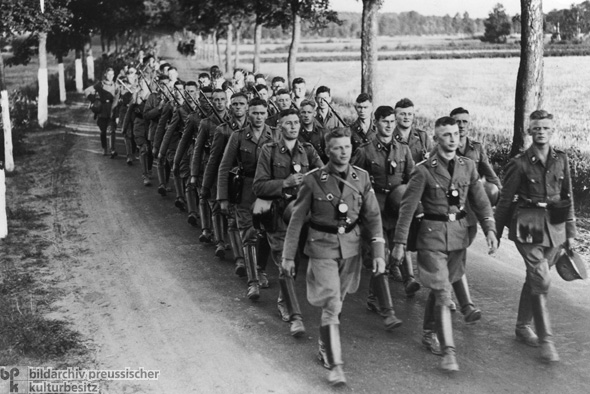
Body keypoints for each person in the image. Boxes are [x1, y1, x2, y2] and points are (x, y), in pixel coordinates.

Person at [391, 116, 498, 372]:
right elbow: (407, 209)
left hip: (458, 237)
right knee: (443, 293)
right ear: (436, 139)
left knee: (440, 286)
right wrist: (399, 242)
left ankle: (428, 331)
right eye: (446, 135)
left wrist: (490, 229)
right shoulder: (423, 170)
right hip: (431, 237)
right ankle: (449, 350)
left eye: (455, 134)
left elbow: (481, 202)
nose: (453, 139)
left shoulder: (468, 166)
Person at [282, 127, 386, 386]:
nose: (343, 152)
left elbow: (373, 218)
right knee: (332, 303)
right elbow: (296, 220)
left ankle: (324, 342)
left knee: (337, 302)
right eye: (337, 148)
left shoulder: (361, 178)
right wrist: (288, 256)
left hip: (350, 249)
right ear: (327, 150)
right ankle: (336, 366)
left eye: (347, 147)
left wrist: (378, 252)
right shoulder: (312, 179)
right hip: (321, 248)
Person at [495, 110, 576, 363]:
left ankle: (522, 326)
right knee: (540, 279)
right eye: (536, 128)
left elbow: (568, 197)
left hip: (556, 227)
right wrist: (494, 233)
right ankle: (546, 340)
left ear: (552, 131)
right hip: (527, 226)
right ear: (529, 131)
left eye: (545, 128)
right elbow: (505, 201)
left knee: (535, 277)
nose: (540, 132)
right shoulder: (519, 163)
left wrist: (571, 234)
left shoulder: (561, 160)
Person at [252, 108, 323, 336]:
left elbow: (324, 175)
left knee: (296, 261)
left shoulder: (308, 151)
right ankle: (292, 312)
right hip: (278, 215)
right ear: (279, 127)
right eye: (288, 123)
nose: (293, 126)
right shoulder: (269, 151)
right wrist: (285, 182)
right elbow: (258, 186)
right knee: (285, 260)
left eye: (296, 123)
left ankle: (285, 298)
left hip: (301, 216)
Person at [352, 105, 418, 315]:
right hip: (375, 206)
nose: (389, 126)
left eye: (392, 121)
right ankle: (380, 301)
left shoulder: (403, 149)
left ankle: (375, 296)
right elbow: (353, 180)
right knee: (380, 252)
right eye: (384, 121)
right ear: (376, 122)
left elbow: (412, 178)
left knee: (394, 252)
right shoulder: (365, 150)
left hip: (396, 206)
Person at [218, 97, 279, 300]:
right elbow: (224, 166)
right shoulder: (238, 136)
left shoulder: (275, 135)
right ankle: (253, 282)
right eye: (254, 113)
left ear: (267, 113)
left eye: (262, 113)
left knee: (265, 234)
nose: (258, 117)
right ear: (248, 113)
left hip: (268, 193)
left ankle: (260, 269)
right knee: (249, 235)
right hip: (245, 192)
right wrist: (223, 197)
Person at [449, 106, 503, 324]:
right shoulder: (443, 148)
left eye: (464, 122)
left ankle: (448, 291)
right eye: (457, 122)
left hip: (471, 212)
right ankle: (465, 304)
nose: (461, 126)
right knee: (457, 254)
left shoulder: (477, 149)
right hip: (450, 212)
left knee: (458, 253)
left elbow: (492, 178)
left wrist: (497, 196)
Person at [202, 93, 249, 274]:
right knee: (232, 220)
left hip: (251, 181)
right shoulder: (223, 130)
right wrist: (206, 187)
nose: (238, 107)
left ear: (247, 107)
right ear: (231, 106)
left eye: (242, 104)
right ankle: (239, 260)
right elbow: (214, 160)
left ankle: (253, 261)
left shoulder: (256, 127)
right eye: (235, 104)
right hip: (231, 180)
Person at [389, 98, 434, 284]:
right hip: (398, 190)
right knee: (402, 226)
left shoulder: (422, 137)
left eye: (409, 114)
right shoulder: (389, 136)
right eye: (402, 114)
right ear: (395, 115)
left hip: (420, 189)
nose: (406, 117)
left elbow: (433, 160)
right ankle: (407, 274)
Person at [191, 88, 232, 252]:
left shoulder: (234, 121)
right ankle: (220, 241)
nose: (220, 103)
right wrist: (194, 173)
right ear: (211, 102)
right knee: (215, 204)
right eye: (216, 100)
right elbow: (198, 148)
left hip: (233, 169)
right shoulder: (206, 123)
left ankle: (232, 239)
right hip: (213, 167)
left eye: (222, 99)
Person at [84, 67, 121, 157]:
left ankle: (112, 150)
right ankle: (104, 148)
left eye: (112, 74)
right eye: (109, 74)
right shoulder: (100, 85)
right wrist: (95, 100)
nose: (110, 76)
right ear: (105, 74)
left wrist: (116, 113)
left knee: (112, 130)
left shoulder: (116, 86)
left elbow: (118, 99)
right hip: (102, 110)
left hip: (112, 109)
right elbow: (87, 91)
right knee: (103, 131)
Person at [298, 99, 328, 163]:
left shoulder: (322, 133)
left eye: (309, 112)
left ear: (314, 113)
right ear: (300, 114)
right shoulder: (296, 133)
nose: (306, 115)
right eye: (303, 112)